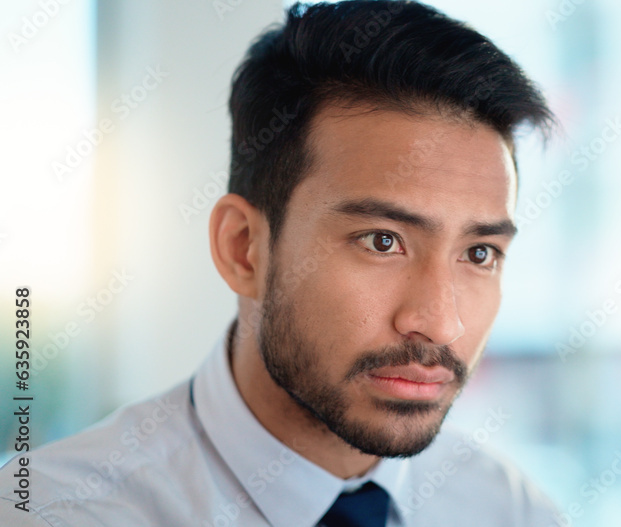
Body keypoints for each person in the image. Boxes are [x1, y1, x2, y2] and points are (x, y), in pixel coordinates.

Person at [0, 1, 557, 525]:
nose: (440, 323)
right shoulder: (53, 511)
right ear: (243, 247)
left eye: (479, 254)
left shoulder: (508, 509)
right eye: (382, 242)